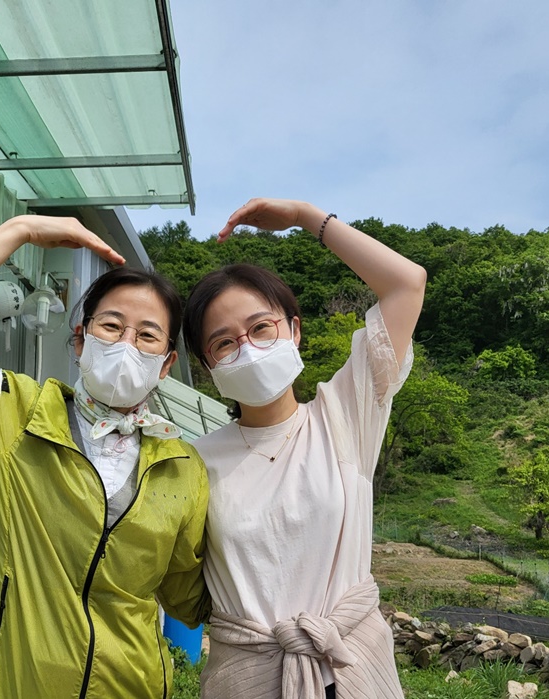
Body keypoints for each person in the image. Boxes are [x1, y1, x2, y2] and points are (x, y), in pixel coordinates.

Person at [0, 215, 210, 698]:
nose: (126, 345)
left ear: (166, 363)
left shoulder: (183, 465)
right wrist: (18, 230)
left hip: (131, 688)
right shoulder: (11, 413)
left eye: (147, 336)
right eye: (112, 325)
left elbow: (191, 599)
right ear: (80, 339)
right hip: (10, 685)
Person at [181, 198, 426, 699]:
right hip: (247, 679)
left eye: (261, 327)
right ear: (209, 367)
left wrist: (304, 218)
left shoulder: (346, 414)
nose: (246, 347)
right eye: (224, 342)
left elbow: (406, 284)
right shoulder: (195, 460)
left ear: (294, 330)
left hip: (352, 670)